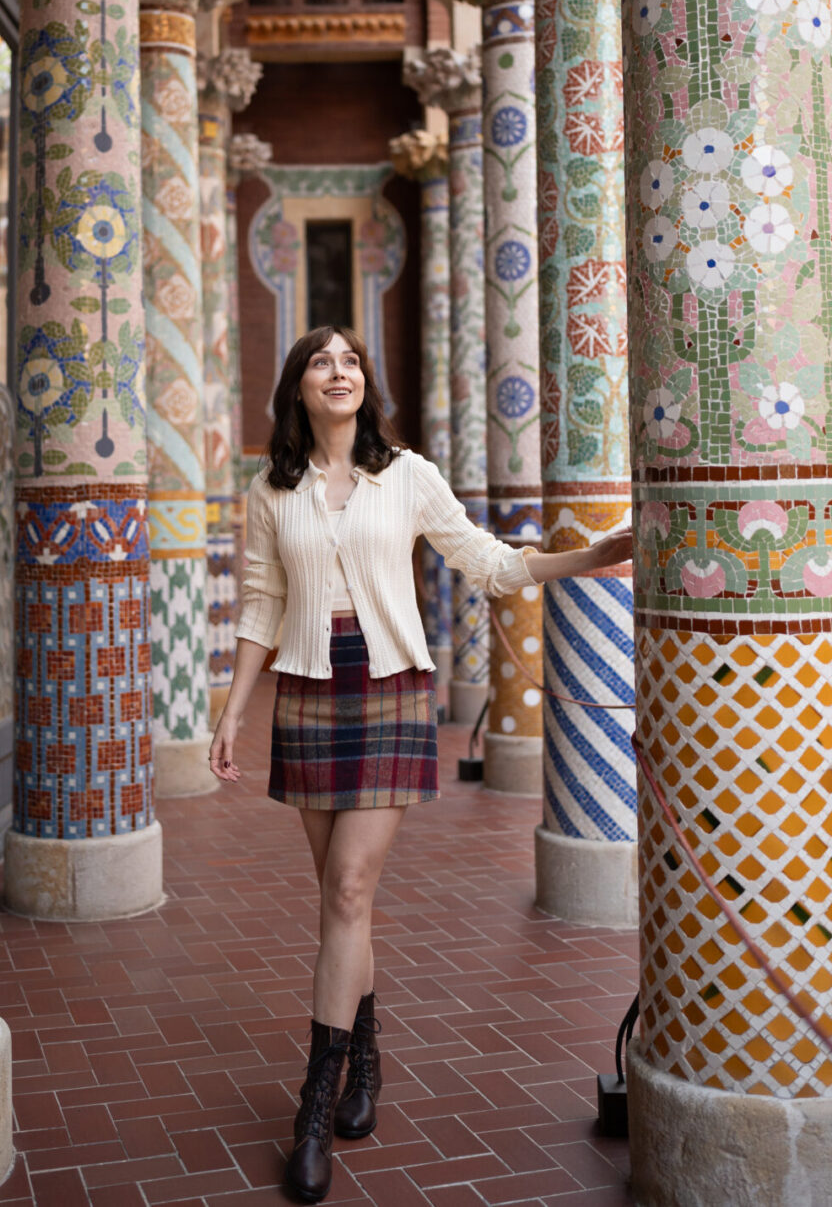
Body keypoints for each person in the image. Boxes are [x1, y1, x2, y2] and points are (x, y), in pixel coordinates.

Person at [209, 326, 632, 1204]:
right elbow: (261, 600)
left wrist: (592, 556)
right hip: (309, 693)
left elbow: (487, 560)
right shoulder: (271, 488)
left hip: (390, 687)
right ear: (297, 386)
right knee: (337, 898)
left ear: (367, 383)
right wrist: (233, 706)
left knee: (350, 892)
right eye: (322, 361)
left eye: (353, 360)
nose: (339, 371)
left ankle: (313, 1109)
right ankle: (364, 1053)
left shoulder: (406, 473)